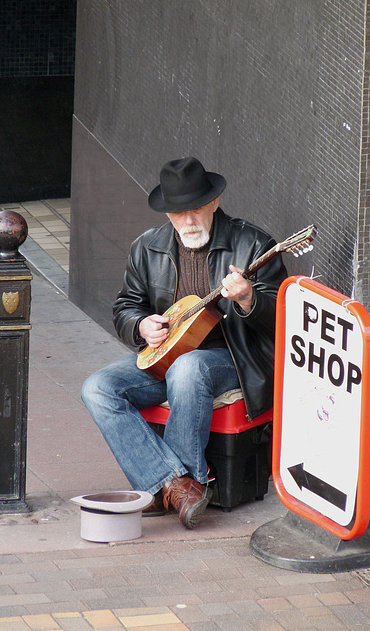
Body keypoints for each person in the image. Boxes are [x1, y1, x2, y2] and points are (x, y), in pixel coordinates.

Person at [81, 157, 288, 529]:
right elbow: (126, 305)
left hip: (235, 357)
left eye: (196, 209)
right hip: (168, 353)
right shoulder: (147, 247)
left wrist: (247, 299)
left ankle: (170, 485)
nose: (188, 220)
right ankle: (176, 485)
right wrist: (141, 325)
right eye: (179, 213)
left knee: (189, 368)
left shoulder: (252, 243)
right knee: (97, 388)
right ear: (168, 214)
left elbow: (282, 320)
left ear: (214, 203)